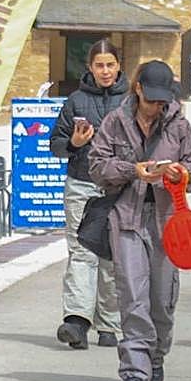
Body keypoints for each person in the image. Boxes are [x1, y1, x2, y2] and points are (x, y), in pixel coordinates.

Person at [89, 60, 191, 381]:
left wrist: (179, 174)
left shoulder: (179, 126)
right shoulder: (115, 122)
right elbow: (97, 166)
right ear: (138, 89)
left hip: (168, 220)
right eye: (151, 98)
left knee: (162, 296)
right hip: (126, 218)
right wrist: (132, 170)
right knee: (132, 292)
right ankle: (134, 368)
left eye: (162, 99)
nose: (157, 105)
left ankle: (156, 355)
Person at [49, 39, 128, 349]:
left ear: (119, 66)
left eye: (110, 64)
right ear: (90, 68)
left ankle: (109, 323)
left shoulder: (131, 102)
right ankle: (77, 322)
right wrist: (74, 144)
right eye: (99, 65)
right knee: (82, 252)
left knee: (112, 256)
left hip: (117, 187)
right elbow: (55, 144)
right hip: (81, 183)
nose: (105, 71)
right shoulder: (76, 101)